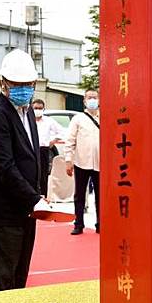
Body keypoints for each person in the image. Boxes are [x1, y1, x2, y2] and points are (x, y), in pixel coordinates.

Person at [0, 49, 49, 292]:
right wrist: (33, 198)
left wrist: (38, 194)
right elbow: (4, 167)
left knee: (19, 280)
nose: (23, 89)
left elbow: (31, 158)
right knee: (2, 284)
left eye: (28, 84)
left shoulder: (27, 110)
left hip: (25, 212)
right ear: (2, 84)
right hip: (3, 214)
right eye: (16, 84)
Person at [64, 89, 100, 235]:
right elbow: (70, 141)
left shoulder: (105, 117)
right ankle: (78, 223)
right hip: (81, 161)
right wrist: (68, 160)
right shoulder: (78, 119)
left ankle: (100, 224)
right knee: (79, 194)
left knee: (100, 195)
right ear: (84, 101)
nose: (92, 100)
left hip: (100, 164)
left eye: (95, 97)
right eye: (89, 97)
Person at [32, 99, 63, 197]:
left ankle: (43, 196)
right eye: (36, 108)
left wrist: (53, 141)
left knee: (43, 175)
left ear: (44, 109)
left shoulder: (48, 121)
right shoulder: (28, 120)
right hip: (31, 149)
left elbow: (61, 131)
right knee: (31, 173)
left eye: (40, 108)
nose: (38, 110)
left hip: (43, 149)